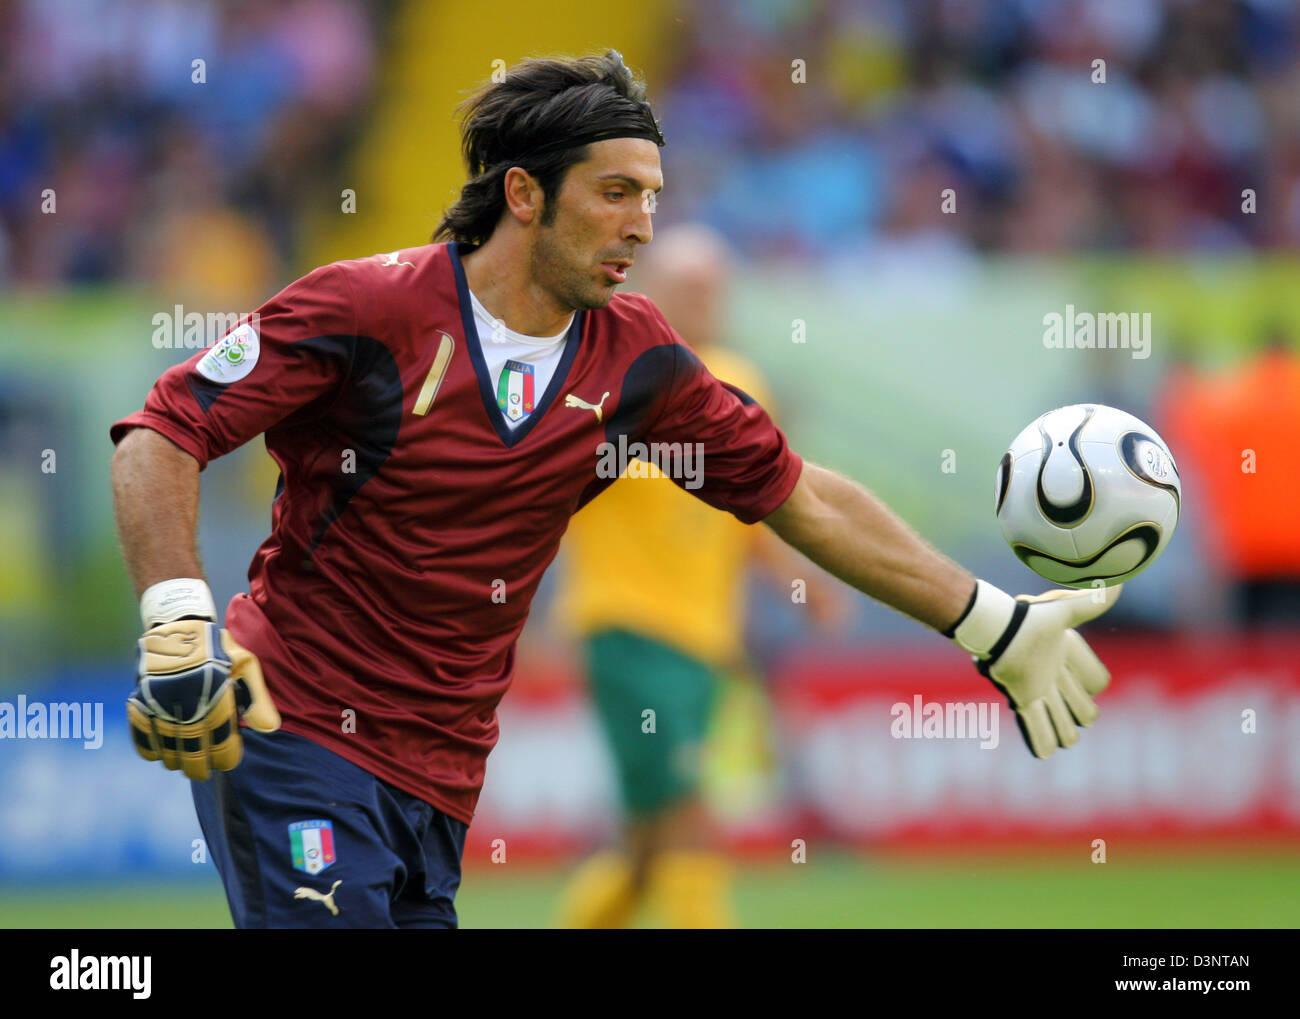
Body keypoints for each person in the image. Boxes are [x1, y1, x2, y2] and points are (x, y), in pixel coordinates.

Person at [109, 50, 1120, 930]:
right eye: (615, 192)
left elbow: (798, 494)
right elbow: (163, 432)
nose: (642, 223)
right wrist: (177, 617)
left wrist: (989, 619)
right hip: (294, 726)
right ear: (522, 194)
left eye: (652, 196)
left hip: (442, 772)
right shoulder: (369, 306)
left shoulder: (642, 360)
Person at [552, 223, 842, 928]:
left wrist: (798, 584)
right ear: (650, 293)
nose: (703, 299)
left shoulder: (740, 382)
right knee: (688, 820)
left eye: (713, 286)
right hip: (627, 629)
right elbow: (546, 499)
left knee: (650, 841)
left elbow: (753, 505)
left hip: (706, 641)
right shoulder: (606, 379)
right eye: (688, 286)